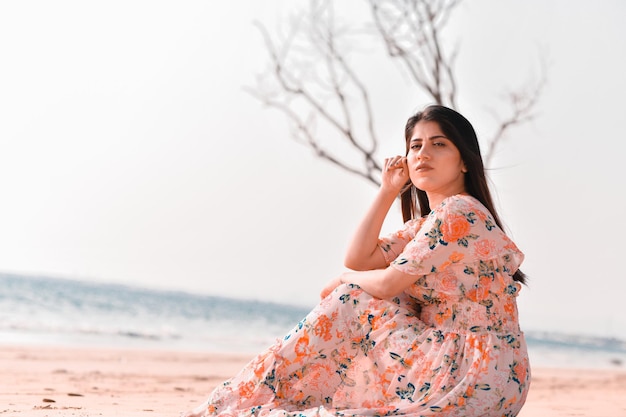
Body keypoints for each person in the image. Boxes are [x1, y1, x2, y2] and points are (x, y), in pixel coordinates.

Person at [182, 105, 530, 417]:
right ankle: (244, 398)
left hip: (473, 369)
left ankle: (236, 400)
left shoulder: (459, 212)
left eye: (439, 144)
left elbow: (383, 280)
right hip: (481, 368)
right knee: (358, 294)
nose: (424, 153)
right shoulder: (431, 222)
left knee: (354, 296)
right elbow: (361, 258)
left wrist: (343, 279)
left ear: (465, 160)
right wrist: (388, 191)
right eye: (416, 146)